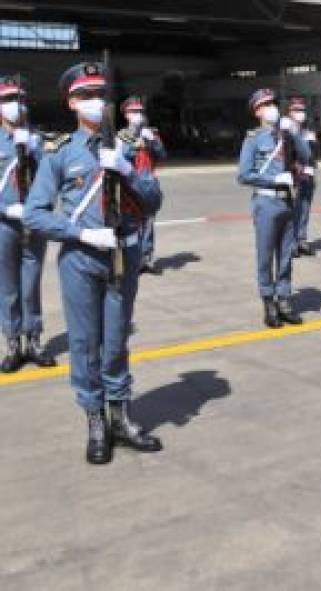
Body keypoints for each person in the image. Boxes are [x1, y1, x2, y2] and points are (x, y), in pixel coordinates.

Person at [24, 62, 164, 464]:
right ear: (71, 102)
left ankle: (120, 416)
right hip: (81, 258)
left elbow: (154, 202)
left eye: (101, 95)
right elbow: (35, 213)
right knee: (85, 343)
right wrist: (80, 233)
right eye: (86, 96)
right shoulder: (59, 154)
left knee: (117, 339)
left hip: (124, 254)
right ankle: (95, 421)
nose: (96, 103)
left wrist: (125, 169)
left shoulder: (128, 147)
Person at [237, 88, 310, 328]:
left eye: (273, 103)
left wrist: (294, 133)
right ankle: (268, 302)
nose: (272, 108)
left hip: (288, 201)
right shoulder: (253, 138)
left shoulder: (286, 134)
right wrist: (273, 181)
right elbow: (244, 175)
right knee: (266, 255)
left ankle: (285, 299)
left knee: (287, 254)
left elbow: (306, 155)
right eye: (266, 105)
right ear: (257, 111)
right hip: (267, 201)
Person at [0, 74, 55, 372]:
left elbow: (53, 181)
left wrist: (35, 150)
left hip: (33, 223)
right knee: (8, 286)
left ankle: (33, 340)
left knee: (31, 283)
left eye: (18, 100)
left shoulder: (40, 140)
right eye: (7, 100)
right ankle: (12, 342)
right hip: (4, 223)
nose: (13, 106)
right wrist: (8, 210)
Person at [117, 95, 167, 275]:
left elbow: (161, 156)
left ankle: (146, 259)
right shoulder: (122, 136)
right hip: (131, 183)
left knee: (149, 222)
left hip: (149, 183)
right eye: (133, 112)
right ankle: (132, 259)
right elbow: (123, 157)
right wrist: (134, 135)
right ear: (126, 115)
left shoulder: (151, 133)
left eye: (140, 111)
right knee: (133, 222)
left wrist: (152, 141)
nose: (138, 115)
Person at [287, 97, 318, 257]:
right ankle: (291, 243)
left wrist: (308, 171)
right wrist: (295, 169)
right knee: (293, 211)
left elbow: (313, 155)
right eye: (296, 110)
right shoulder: (286, 132)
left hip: (308, 177)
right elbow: (287, 155)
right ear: (290, 112)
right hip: (293, 178)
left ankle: (301, 240)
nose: (300, 113)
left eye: (302, 110)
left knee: (305, 210)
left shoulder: (309, 132)